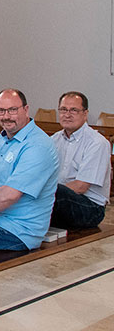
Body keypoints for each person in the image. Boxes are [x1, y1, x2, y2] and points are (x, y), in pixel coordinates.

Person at [0, 89, 59, 250]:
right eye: (1, 110)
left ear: (26, 110)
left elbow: (8, 197)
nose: (6, 116)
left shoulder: (37, 145)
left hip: (17, 229)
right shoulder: (0, 139)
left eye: (12, 110)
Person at [50, 91, 110, 229]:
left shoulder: (97, 143)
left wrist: (45, 192)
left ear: (85, 114)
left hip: (90, 207)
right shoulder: (53, 140)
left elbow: (81, 187)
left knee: (55, 191)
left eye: (74, 110)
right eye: (63, 109)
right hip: (61, 198)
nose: (67, 114)